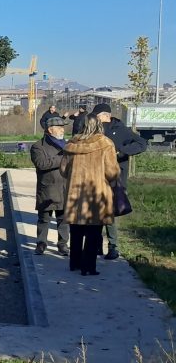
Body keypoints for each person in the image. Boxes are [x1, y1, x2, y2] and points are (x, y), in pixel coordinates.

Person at [60, 115, 120, 276]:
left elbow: (63, 171)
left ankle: (75, 263)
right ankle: (89, 267)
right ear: (99, 125)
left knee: (76, 231)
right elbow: (112, 172)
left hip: (75, 195)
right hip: (96, 194)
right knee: (94, 234)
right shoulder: (106, 144)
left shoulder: (71, 144)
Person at [92, 103, 147, 260]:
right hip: (96, 177)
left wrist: (122, 152)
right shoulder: (94, 130)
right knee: (97, 213)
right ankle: (96, 246)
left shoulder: (121, 129)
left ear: (106, 116)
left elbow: (142, 144)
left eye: (98, 116)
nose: (95, 119)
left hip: (115, 178)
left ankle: (113, 247)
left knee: (109, 214)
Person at [29, 115, 71, 256]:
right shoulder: (38, 146)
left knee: (63, 220)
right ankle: (41, 244)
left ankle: (63, 244)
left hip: (65, 188)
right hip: (47, 189)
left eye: (62, 128)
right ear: (50, 129)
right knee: (44, 219)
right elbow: (41, 164)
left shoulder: (68, 145)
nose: (62, 130)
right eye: (59, 128)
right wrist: (63, 157)